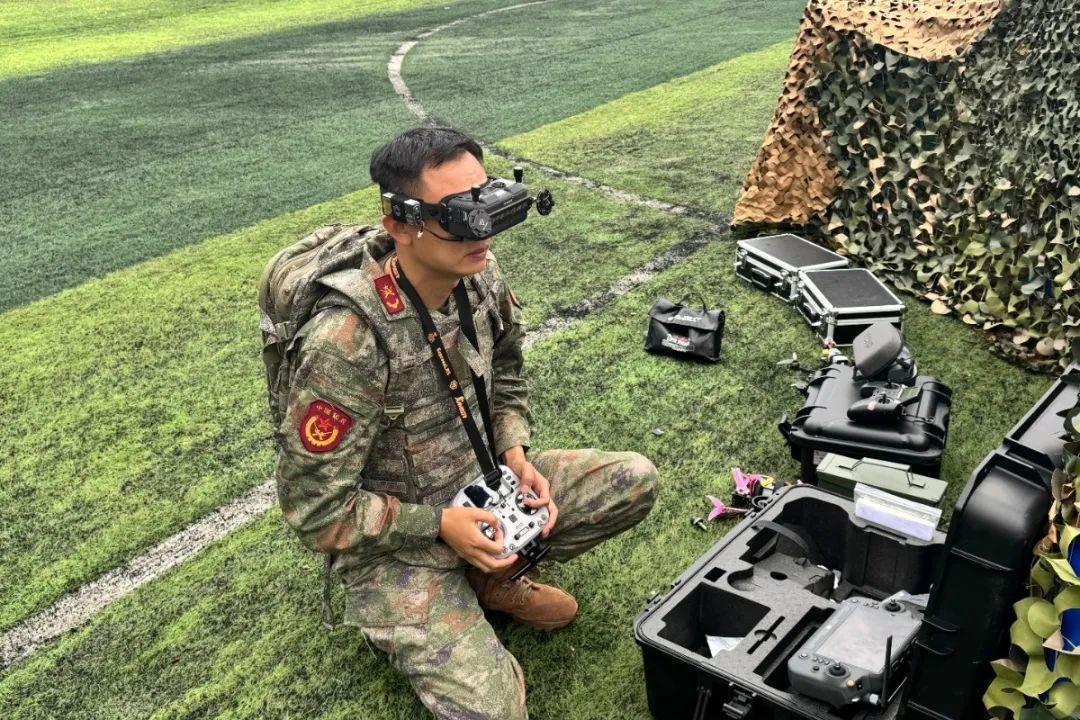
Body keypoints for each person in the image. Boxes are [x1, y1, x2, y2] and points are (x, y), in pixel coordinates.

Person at [274, 126, 659, 719]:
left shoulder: (478, 274)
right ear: (401, 222)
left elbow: (507, 371)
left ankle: (491, 582)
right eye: (459, 215)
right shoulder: (347, 342)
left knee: (633, 480)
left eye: (488, 204)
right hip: (396, 541)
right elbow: (315, 510)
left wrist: (515, 452)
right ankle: (403, 612)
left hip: (483, 487)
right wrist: (439, 525)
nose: (482, 232)